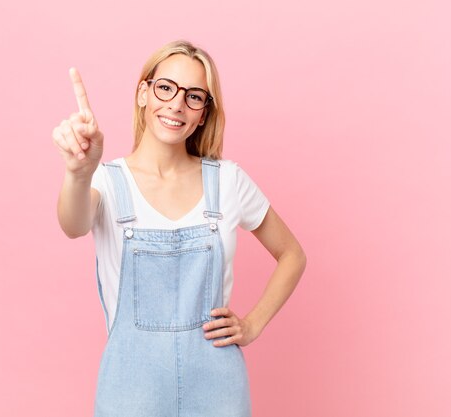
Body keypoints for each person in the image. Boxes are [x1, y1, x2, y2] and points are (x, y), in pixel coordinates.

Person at [53, 40, 306, 417]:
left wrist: (252, 324)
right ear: (143, 92)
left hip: (218, 391)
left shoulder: (228, 181)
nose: (176, 104)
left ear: (203, 113)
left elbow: (292, 255)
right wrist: (79, 171)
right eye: (166, 88)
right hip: (131, 393)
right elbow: (72, 225)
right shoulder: (105, 181)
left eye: (194, 96)